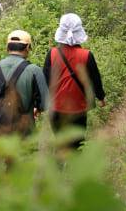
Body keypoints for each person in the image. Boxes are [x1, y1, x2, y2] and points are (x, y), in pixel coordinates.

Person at [43, 13, 105, 149]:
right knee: (77, 144)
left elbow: (45, 81)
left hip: (56, 108)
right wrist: (101, 97)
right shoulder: (86, 55)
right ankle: (75, 168)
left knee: (60, 144)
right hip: (79, 108)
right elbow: (95, 79)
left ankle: (58, 168)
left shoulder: (52, 54)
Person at [0, 30, 48, 141]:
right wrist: (37, 108)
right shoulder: (34, 70)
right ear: (27, 48)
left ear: (7, 48)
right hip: (24, 133)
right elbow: (45, 103)